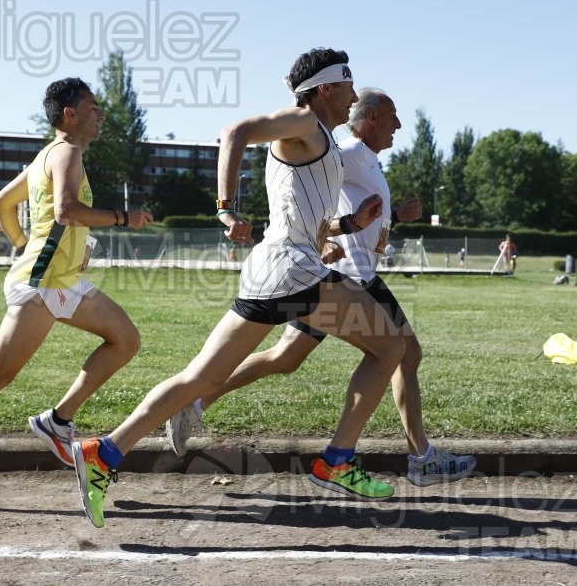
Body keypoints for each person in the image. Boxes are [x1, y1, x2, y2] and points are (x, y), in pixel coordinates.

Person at [70, 48, 406, 528]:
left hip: (276, 270)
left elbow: (303, 216)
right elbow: (236, 132)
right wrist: (225, 207)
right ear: (326, 88)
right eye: (349, 86)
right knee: (389, 346)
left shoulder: (319, 140)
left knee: (200, 379)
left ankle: (104, 452)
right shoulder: (302, 121)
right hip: (293, 273)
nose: (354, 95)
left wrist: (351, 223)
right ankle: (337, 460)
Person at [166, 88, 475, 489]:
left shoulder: (366, 160)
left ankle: (196, 401)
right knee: (402, 352)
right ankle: (415, 458)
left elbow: (356, 217)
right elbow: (295, 196)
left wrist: (394, 216)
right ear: (372, 118)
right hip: (347, 277)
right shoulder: (344, 153)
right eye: (393, 117)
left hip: (344, 275)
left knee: (285, 357)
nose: (399, 125)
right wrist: (319, 237)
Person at [0, 77, 153, 511]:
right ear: (70, 114)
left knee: (126, 340)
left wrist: (26, 243)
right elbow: (68, 211)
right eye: (93, 106)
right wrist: (123, 217)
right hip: (40, 284)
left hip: (63, 280)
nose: (100, 113)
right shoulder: (67, 152)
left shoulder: (48, 156)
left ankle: (57, 421)